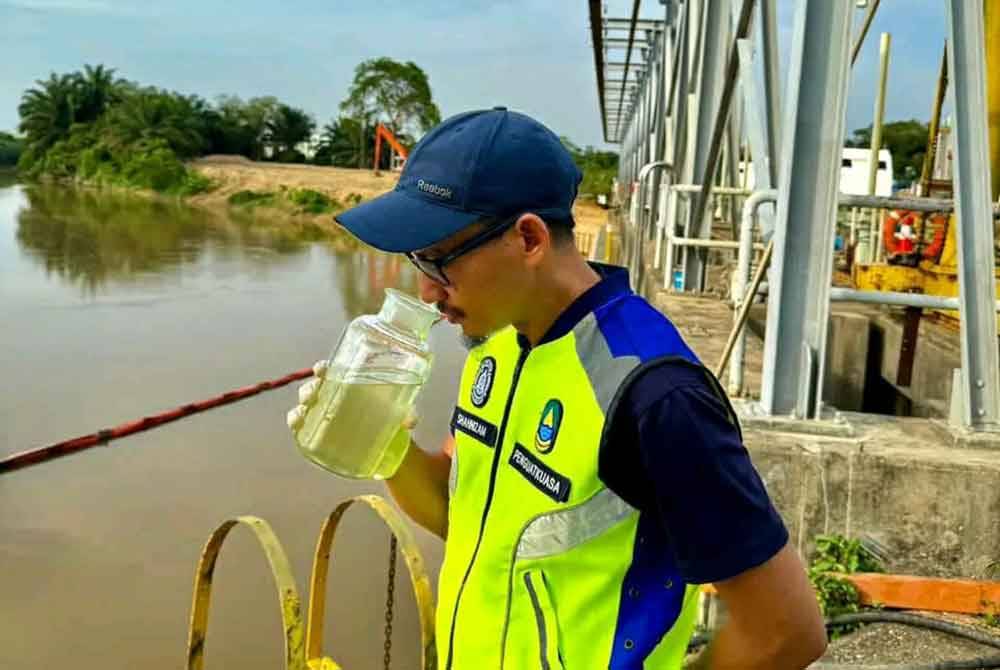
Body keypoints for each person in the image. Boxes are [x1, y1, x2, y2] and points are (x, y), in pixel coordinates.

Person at [326, 108, 827, 669]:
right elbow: (457, 511)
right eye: (416, 261)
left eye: (440, 261)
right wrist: (384, 445)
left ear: (530, 238)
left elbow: (784, 631)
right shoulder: (497, 344)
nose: (425, 291)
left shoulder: (652, 393)